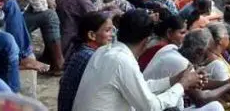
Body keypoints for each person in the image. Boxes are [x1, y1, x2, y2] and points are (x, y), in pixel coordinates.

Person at [71, 8, 202, 111]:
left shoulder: (105, 51)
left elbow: (140, 87)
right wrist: (182, 85)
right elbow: (151, 107)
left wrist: (173, 80)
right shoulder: (121, 60)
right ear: (147, 40)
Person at [58, 11, 114, 111]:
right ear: (92, 35)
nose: (112, 35)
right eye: (107, 30)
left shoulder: (79, 49)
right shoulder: (90, 57)